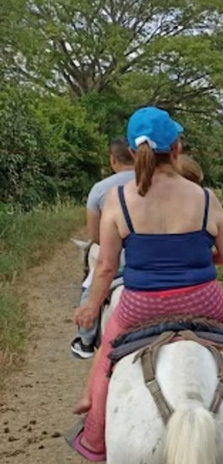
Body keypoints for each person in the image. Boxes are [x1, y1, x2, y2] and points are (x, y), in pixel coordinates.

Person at [69, 107, 223, 461]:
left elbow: (107, 266)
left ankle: (93, 422)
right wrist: (199, 262)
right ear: (176, 148)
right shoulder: (203, 197)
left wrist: (90, 306)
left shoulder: (117, 200)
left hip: (141, 303)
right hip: (204, 299)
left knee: (108, 348)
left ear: (132, 152)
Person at [70, 138, 135, 359]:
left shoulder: (100, 189)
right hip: (156, 257)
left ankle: (86, 340)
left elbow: (95, 236)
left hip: (119, 260)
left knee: (91, 291)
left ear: (112, 159)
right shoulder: (155, 183)